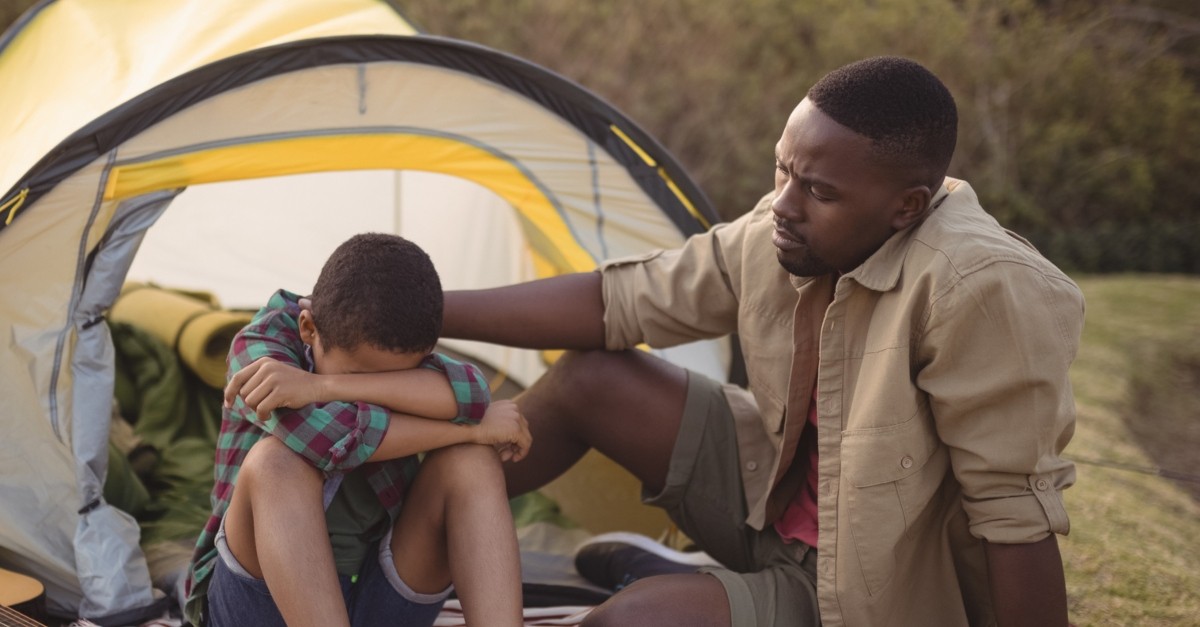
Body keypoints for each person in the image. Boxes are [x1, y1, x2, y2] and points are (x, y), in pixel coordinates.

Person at [441, 56, 1083, 627]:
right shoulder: (790, 226)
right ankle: (409, 550)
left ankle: (701, 588)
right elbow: (622, 302)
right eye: (784, 171)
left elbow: (1015, 520)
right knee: (593, 381)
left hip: (863, 595)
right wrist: (424, 312)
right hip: (764, 506)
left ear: (907, 207)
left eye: (818, 191)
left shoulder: (980, 289)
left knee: (634, 618)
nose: (783, 203)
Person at [184, 233, 532, 627]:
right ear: (308, 328)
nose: (376, 392)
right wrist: (468, 431)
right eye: (357, 375)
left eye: (398, 381)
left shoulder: (385, 342)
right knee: (275, 463)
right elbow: (329, 440)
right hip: (257, 605)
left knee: (472, 462)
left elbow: (471, 392)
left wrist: (325, 386)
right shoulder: (260, 350)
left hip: (373, 594)